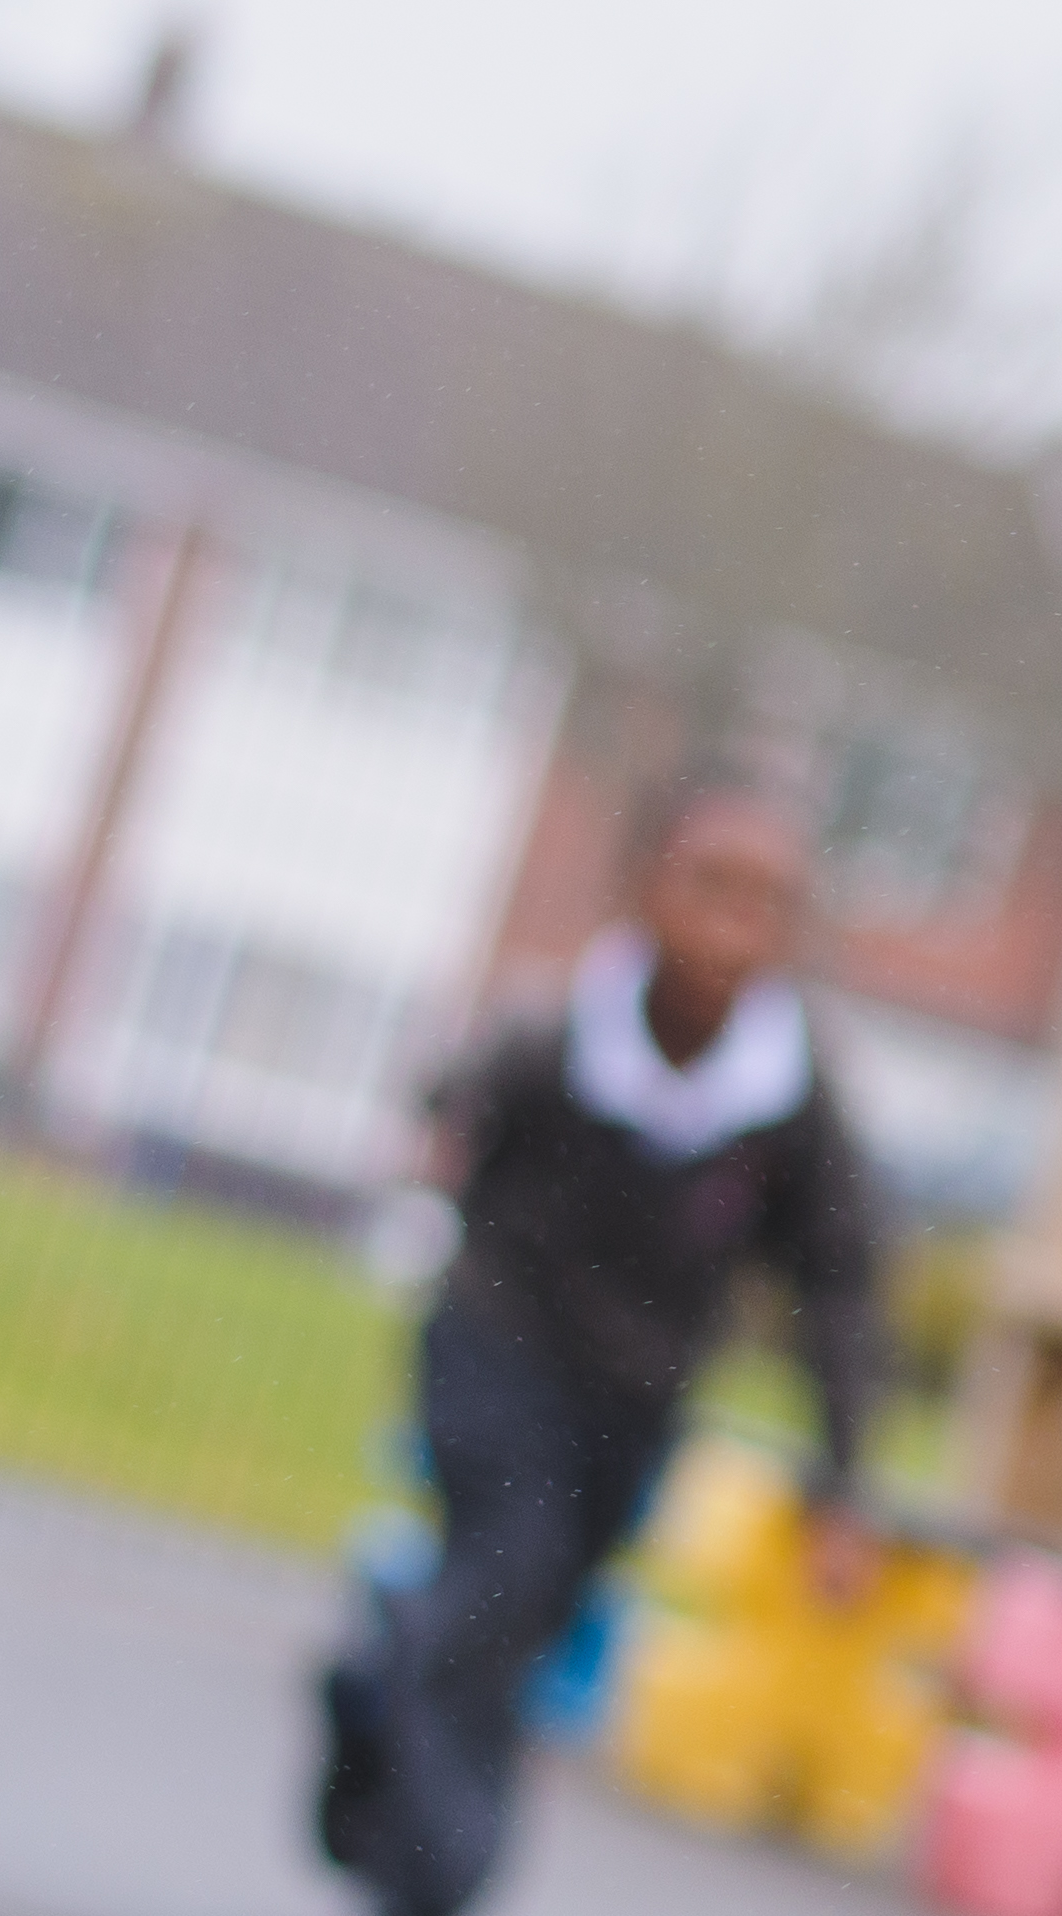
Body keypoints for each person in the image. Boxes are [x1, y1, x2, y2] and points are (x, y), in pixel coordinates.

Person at [317, 771, 885, 1916]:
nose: (735, 925)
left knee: (520, 1621)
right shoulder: (557, 1034)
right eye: (711, 886)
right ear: (646, 890)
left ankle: (376, 1680)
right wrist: (444, 1140)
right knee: (506, 1574)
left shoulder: (786, 1093)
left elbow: (834, 1287)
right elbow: (454, 1116)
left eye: (769, 902)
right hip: (495, 1346)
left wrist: (841, 1483)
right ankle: (440, 1876)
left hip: (635, 1401)